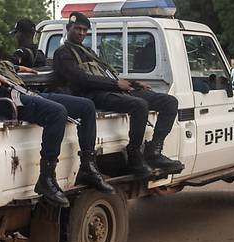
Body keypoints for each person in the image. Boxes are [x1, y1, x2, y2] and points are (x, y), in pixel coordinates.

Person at [0, 8, 113, 207]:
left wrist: (16, 68)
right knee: (56, 112)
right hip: (5, 103)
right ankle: (46, 178)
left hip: (22, 94)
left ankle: (87, 165)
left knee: (86, 106)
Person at [53, 11, 184, 177]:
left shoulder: (87, 51)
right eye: (77, 29)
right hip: (91, 94)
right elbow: (80, 79)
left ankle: (154, 151)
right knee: (139, 105)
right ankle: (135, 156)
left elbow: (107, 73)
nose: (81, 33)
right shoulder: (63, 53)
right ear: (68, 28)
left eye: (84, 30)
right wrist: (116, 85)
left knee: (169, 102)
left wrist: (134, 84)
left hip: (110, 88)